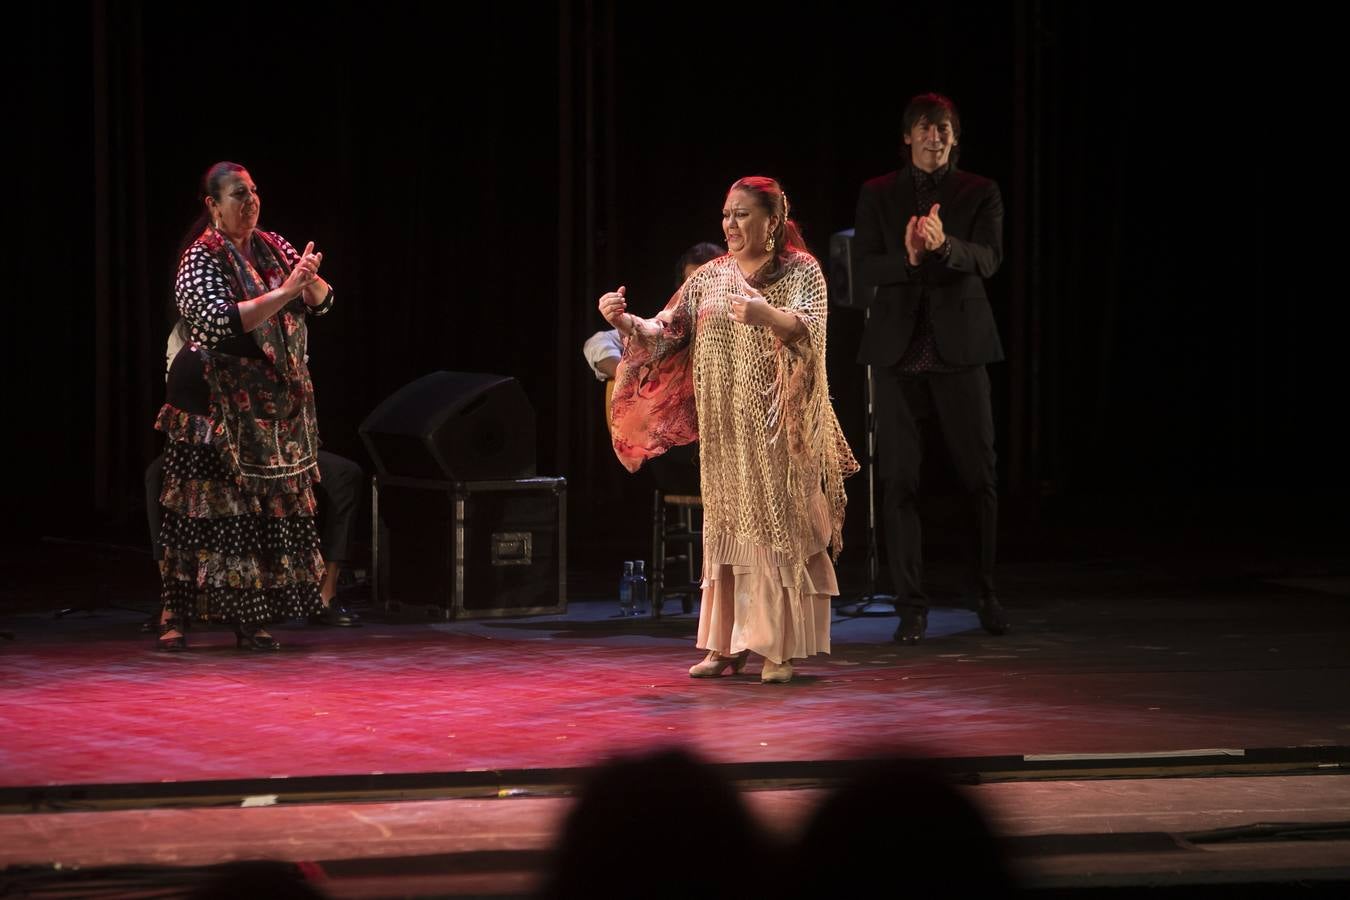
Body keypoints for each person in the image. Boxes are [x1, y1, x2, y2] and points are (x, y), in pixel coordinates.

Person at [600, 177, 857, 683]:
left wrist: (770, 317)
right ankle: (726, 645)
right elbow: (668, 330)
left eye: (742, 214)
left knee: (774, 530)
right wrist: (627, 321)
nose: (731, 225)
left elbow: (812, 329)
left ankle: (777, 650)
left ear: (772, 219)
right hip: (724, 425)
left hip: (778, 423)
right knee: (725, 531)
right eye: (726, 215)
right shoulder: (712, 275)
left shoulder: (801, 270)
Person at [154, 161, 335, 651]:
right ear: (213, 206)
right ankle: (175, 611)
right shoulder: (200, 259)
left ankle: (252, 617)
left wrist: (310, 281)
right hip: (212, 400)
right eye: (238, 194)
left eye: (254, 190)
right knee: (205, 511)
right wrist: (286, 291)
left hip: (268, 402)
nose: (250, 200)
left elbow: (321, 303)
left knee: (258, 513)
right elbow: (220, 323)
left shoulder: (274, 246)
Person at [853, 92, 1011, 645]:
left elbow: (988, 259)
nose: (934, 137)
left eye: (943, 129)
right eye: (924, 128)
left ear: (954, 138)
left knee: (978, 478)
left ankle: (985, 592)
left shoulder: (979, 191)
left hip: (960, 351)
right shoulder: (877, 194)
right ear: (907, 137)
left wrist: (945, 249)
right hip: (897, 353)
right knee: (898, 482)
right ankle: (910, 606)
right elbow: (866, 264)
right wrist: (909, 259)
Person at [145, 321, 362, 628]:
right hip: (210, 441)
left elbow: (290, 388)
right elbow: (183, 394)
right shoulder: (188, 331)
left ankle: (324, 595)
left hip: (269, 438)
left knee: (342, 474)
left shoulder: (280, 326)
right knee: (161, 476)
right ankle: (174, 601)